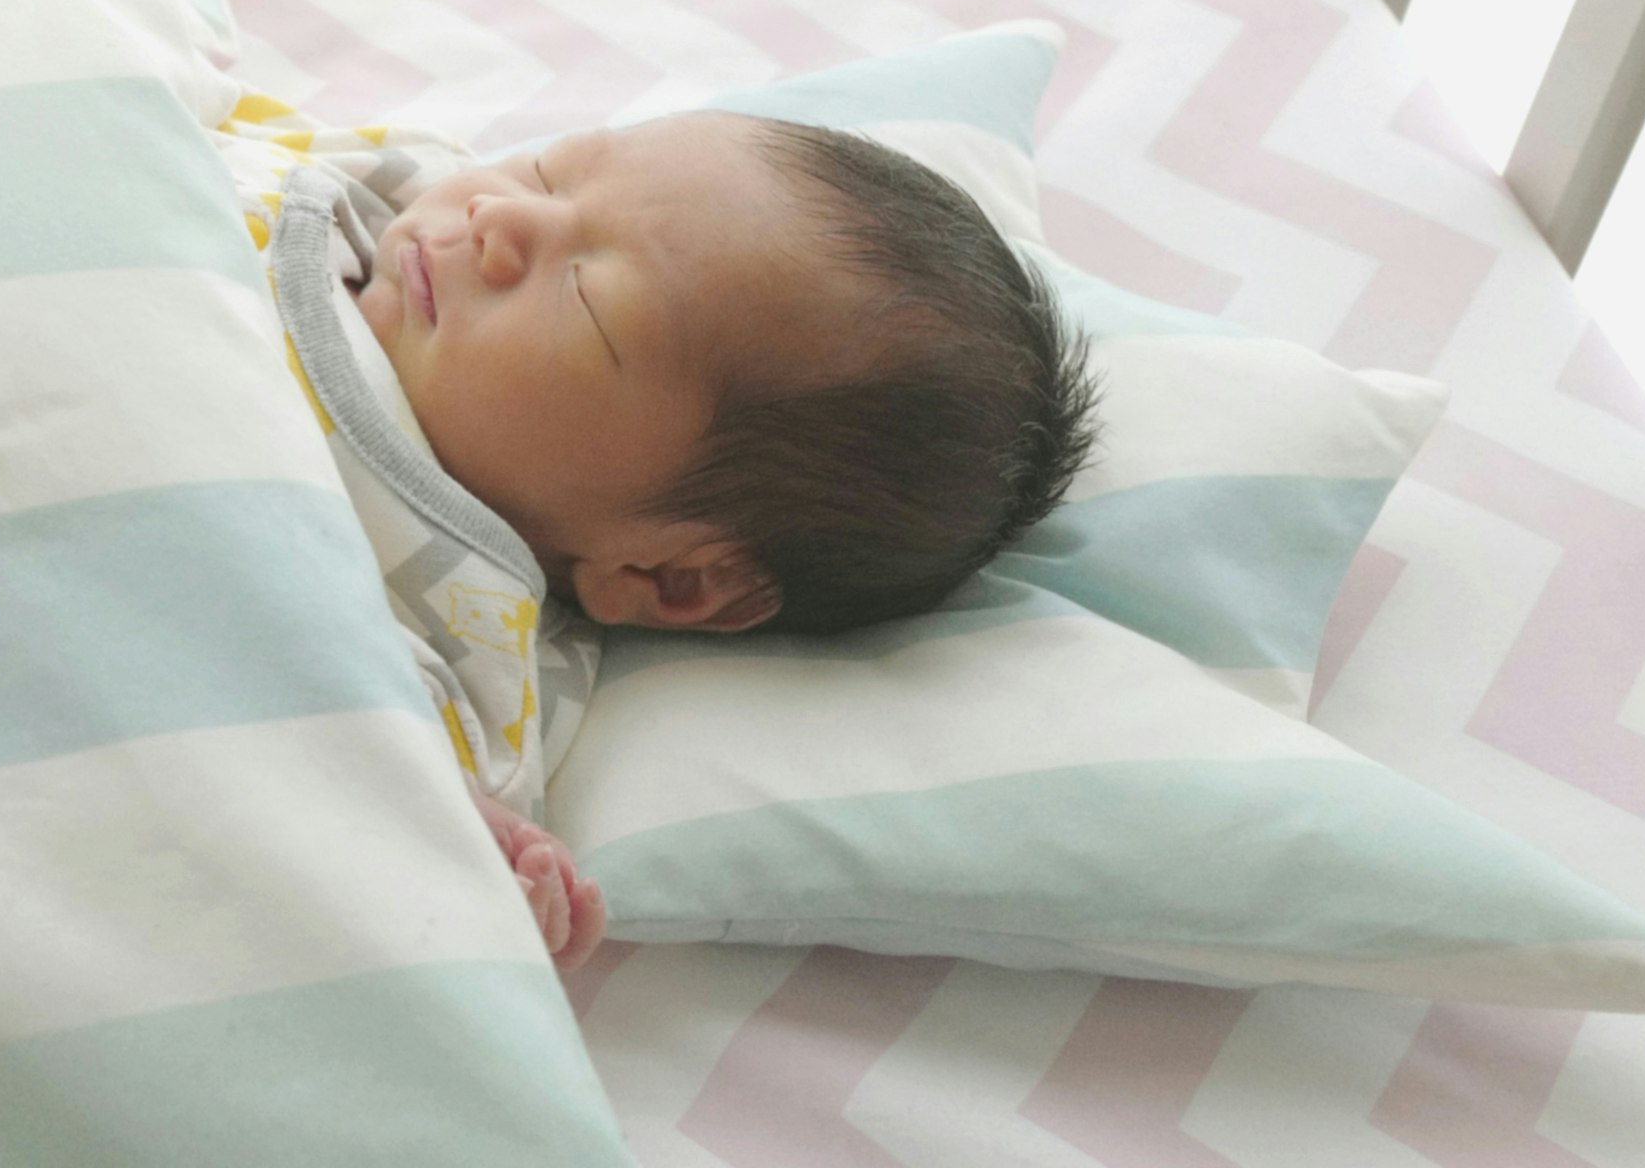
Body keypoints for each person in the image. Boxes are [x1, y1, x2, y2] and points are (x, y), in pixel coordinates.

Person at [215, 96, 1099, 966]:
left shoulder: (466, 613)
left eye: (584, 296)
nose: (501, 217)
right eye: (552, 168)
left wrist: (478, 846)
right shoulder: (374, 188)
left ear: (669, 579)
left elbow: (348, 758)